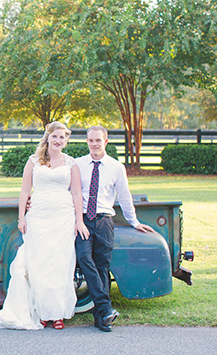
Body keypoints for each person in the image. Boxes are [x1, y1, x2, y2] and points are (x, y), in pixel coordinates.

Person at [0, 121, 89, 330]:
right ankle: (42, 313)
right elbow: (25, 191)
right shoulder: (34, 161)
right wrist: (21, 218)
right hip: (39, 216)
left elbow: (77, 193)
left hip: (63, 216)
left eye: (62, 137)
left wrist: (79, 220)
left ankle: (58, 314)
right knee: (39, 264)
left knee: (60, 264)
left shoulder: (71, 163)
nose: (58, 141)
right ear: (48, 137)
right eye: (55, 136)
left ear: (66, 140)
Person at [75, 125, 155, 332]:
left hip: (103, 221)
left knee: (102, 266)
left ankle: (100, 318)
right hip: (82, 220)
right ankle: (105, 306)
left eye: (98, 140)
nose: (94, 144)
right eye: (91, 140)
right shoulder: (77, 165)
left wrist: (134, 222)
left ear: (106, 142)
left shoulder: (116, 167)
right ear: (87, 142)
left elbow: (124, 196)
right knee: (84, 258)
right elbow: (68, 192)